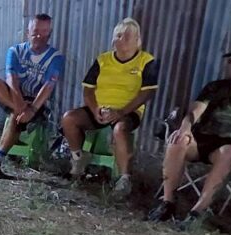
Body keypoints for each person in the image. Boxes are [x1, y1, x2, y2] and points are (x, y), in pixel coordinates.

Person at [147, 40, 231, 230]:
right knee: (177, 141)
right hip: (204, 139)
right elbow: (194, 111)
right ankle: (167, 203)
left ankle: (197, 212)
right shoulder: (215, 87)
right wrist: (185, 128)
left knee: (228, 152)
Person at [61, 17, 159, 198]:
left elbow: (147, 93)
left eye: (127, 36)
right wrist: (95, 109)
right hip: (101, 109)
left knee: (120, 129)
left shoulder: (146, 61)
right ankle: (78, 160)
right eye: (118, 35)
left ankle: (124, 179)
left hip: (128, 111)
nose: (121, 39)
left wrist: (121, 112)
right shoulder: (103, 60)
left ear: (137, 40)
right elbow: (88, 89)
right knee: (69, 119)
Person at [0, 13, 64, 180]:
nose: (39, 36)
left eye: (44, 31)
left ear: (49, 33)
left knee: (15, 117)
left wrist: (31, 109)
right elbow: (11, 78)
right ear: (28, 32)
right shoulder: (15, 51)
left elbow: (48, 87)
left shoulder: (56, 57)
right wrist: (20, 105)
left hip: (38, 102)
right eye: (35, 31)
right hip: (15, 97)